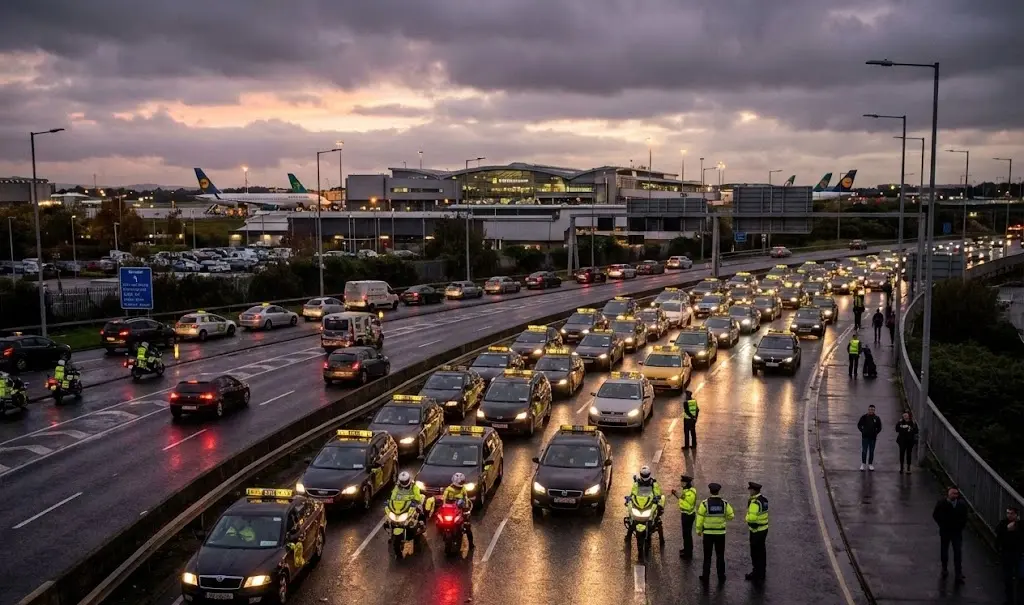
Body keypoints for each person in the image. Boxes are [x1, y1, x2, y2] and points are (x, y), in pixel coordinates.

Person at [696, 482, 734, 584]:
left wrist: (699, 530)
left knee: (707, 556)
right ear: (718, 491)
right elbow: (731, 516)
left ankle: (705, 577)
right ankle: (721, 576)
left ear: (710, 491)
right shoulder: (725, 503)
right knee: (720, 555)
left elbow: (700, 518)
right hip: (720, 534)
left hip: (708, 534)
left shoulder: (705, 504)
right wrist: (723, 519)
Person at [932, 486, 968, 584]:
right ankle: (944, 568)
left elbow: (965, 517)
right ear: (948, 494)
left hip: (956, 532)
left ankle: (958, 573)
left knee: (958, 552)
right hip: (945, 531)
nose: (955, 495)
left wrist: (960, 527)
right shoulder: (941, 503)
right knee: (944, 550)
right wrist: (942, 524)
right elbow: (935, 515)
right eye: (953, 493)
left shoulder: (961, 505)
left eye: (956, 493)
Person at [996, 506, 1022, 604]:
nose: (1009, 515)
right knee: (1008, 578)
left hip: (1018, 554)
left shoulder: (1021, 525)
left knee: (1020, 578)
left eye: (1011, 513)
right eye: (1008, 513)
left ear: (1016, 515)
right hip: (1007, 554)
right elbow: (999, 536)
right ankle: (1009, 599)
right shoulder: (1003, 524)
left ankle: (1019, 599)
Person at [745, 481, 769, 584]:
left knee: (755, 553)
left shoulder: (754, 503)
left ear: (754, 490)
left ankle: (756, 573)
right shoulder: (764, 500)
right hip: (764, 529)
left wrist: (746, 517)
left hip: (756, 531)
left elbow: (752, 519)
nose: (749, 491)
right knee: (762, 552)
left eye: (750, 489)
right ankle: (762, 573)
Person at [442, 472, 474, 549]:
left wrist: (466, 508)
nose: (460, 484)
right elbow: (444, 499)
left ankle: (471, 544)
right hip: (450, 510)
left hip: (460, 510)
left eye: (462, 482)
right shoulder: (448, 489)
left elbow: (465, 498)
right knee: (440, 520)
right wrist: (443, 506)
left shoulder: (463, 489)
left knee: (467, 526)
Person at [671, 474, 697, 559]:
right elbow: (682, 497)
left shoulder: (690, 493)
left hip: (688, 516)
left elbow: (686, 503)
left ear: (686, 483)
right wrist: (676, 494)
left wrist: (680, 500)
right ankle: (686, 549)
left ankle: (688, 553)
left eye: (682, 482)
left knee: (687, 535)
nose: (680, 483)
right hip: (685, 515)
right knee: (685, 534)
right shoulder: (686, 491)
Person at [857, 404, 882, 470]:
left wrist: (876, 433)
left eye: (872, 410)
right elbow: (859, 425)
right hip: (865, 437)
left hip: (873, 438)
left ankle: (870, 464)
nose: (871, 411)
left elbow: (880, 427)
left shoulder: (877, 418)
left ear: (874, 410)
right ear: (868, 409)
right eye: (870, 409)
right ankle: (863, 464)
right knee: (864, 451)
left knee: (871, 451)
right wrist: (863, 431)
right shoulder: (864, 417)